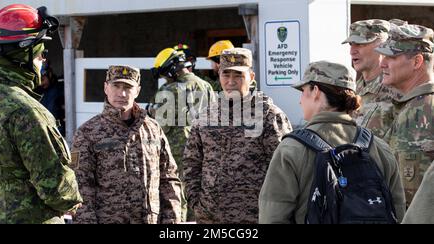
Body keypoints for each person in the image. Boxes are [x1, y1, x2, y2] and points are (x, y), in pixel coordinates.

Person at [258, 61, 406, 224]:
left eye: (303, 91)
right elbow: (398, 213)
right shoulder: (379, 148)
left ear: (315, 91)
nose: (300, 101)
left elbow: (272, 217)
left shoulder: (292, 149)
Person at [0, 4, 82, 224]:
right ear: (23, 51)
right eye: (41, 52)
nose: (44, 59)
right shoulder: (27, 112)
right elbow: (55, 189)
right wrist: (73, 200)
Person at [183, 48, 293, 224]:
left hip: (255, 218)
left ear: (251, 77)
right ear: (219, 75)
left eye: (238, 75)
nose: (231, 81)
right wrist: (197, 204)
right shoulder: (205, 116)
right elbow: (191, 163)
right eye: (226, 75)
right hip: (210, 219)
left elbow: (285, 169)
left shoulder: (269, 116)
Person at [72, 65, 181, 224]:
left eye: (128, 87)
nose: (121, 93)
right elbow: (80, 187)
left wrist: (172, 219)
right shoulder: (87, 133)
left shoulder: (153, 128)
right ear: (105, 88)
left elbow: (169, 178)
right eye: (116, 86)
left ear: (137, 90)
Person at [148, 48, 213, 221]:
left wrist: (150, 110)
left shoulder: (169, 90)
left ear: (171, 69)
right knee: (198, 189)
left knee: (176, 193)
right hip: (204, 148)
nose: (165, 78)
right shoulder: (205, 85)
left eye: (164, 75)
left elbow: (159, 123)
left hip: (176, 150)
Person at [375, 23, 434, 206]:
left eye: (391, 56)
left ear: (417, 62)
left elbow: (412, 199)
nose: (382, 63)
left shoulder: (422, 110)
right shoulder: (411, 106)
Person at [342, 19, 401, 139]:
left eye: (360, 44)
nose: (352, 51)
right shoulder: (353, 90)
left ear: (381, 46)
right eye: (351, 44)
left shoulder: (397, 90)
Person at [36, 59, 66, 135]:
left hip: (58, 133)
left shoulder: (61, 89)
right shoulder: (38, 91)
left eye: (42, 79)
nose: (40, 84)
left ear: (49, 75)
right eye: (38, 80)